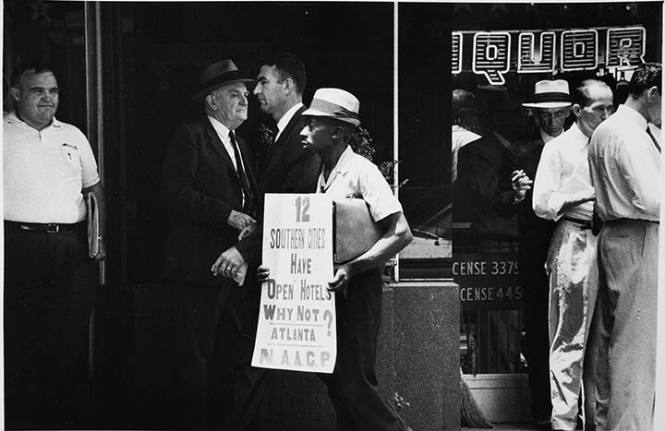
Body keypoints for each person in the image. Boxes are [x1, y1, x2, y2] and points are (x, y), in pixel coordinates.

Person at [259, 88, 413, 430]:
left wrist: (352, 267)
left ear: (339, 131)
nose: (303, 131)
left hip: (357, 289)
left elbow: (401, 233)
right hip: (325, 293)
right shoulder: (316, 173)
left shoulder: (362, 171)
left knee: (354, 382)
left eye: (313, 125)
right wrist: (277, 267)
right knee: (334, 378)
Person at [3, 63, 106, 428]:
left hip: (70, 246)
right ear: (16, 93)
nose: (48, 98)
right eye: (38, 91)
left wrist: (97, 243)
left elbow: (93, 189)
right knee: (20, 337)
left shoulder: (73, 135)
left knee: (68, 337)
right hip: (17, 245)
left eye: (54, 91)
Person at [161, 58, 259, 429]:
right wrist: (227, 215)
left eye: (245, 93)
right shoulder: (191, 136)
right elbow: (174, 193)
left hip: (233, 272)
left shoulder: (241, 144)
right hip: (197, 271)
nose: (244, 99)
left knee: (229, 359)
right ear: (211, 101)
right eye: (234, 94)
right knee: (194, 362)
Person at [531, 79, 614, 431]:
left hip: (609, 240)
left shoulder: (611, 144)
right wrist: (580, 195)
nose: (607, 115)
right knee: (569, 338)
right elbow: (541, 204)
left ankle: (597, 421)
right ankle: (564, 422)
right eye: (600, 109)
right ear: (578, 111)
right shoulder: (559, 149)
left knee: (604, 341)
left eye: (611, 108)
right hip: (575, 240)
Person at [587, 62, 661, 431]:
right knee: (635, 345)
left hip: (613, 234)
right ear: (652, 94)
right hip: (639, 234)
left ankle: (605, 422)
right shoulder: (631, 135)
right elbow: (650, 199)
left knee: (609, 342)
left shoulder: (604, 130)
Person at [495, 79, 572, 427]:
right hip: (537, 253)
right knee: (540, 330)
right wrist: (514, 194)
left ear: (571, 113)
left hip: (577, 245)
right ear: (535, 116)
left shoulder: (583, 148)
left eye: (558, 114)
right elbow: (500, 205)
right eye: (546, 115)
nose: (552, 122)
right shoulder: (520, 152)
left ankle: (575, 409)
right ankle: (543, 410)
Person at [212, 53, 321, 277]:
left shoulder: (303, 134)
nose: (255, 92)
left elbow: (293, 207)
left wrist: (244, 251)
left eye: (264, 82)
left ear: (287, 86)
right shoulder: (288, 132)